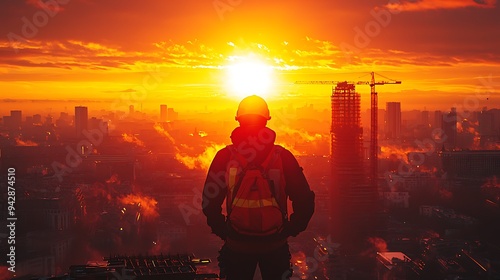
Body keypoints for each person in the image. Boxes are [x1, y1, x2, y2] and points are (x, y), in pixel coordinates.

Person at [202, 95, 315, 280]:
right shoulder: (283, 157)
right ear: (266, 120)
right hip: (275, 246)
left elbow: (209, 202)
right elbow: (305, 201)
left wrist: (225, 232)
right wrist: (289, 229)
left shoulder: (225, 157)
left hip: (237, 246)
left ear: (238, 120)